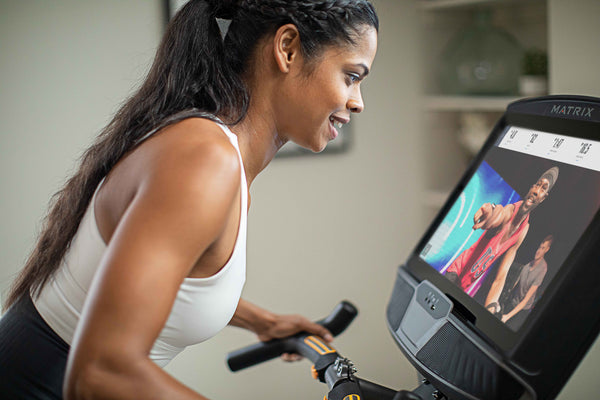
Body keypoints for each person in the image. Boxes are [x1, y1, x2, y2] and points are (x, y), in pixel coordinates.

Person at [0, 1, 379, 399]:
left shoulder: (213, 151)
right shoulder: (205, 161)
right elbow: (100, 373)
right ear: (287, 48)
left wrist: (262, 322)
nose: (358, 101)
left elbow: (164, 275)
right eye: (351, 76)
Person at [444, 166, 559, 303]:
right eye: (537, 185)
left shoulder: (523, 230)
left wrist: (491, 305)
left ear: (543, 198)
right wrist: (490, 211)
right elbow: (498, 214)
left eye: (543, 188)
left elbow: (501, 277)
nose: (536, 191)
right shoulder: (509, 211)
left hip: (464, 286)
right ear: (531, 187)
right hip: (456, 272)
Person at [498, 235, 552, 329]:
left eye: (542, 248)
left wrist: (507, 317)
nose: (539, 250)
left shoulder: (542, 268)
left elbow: (525, 301)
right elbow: (514, 285)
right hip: (513, 302)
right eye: (539, 247)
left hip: (522, 310)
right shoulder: (527, 266)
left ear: (547, 250)